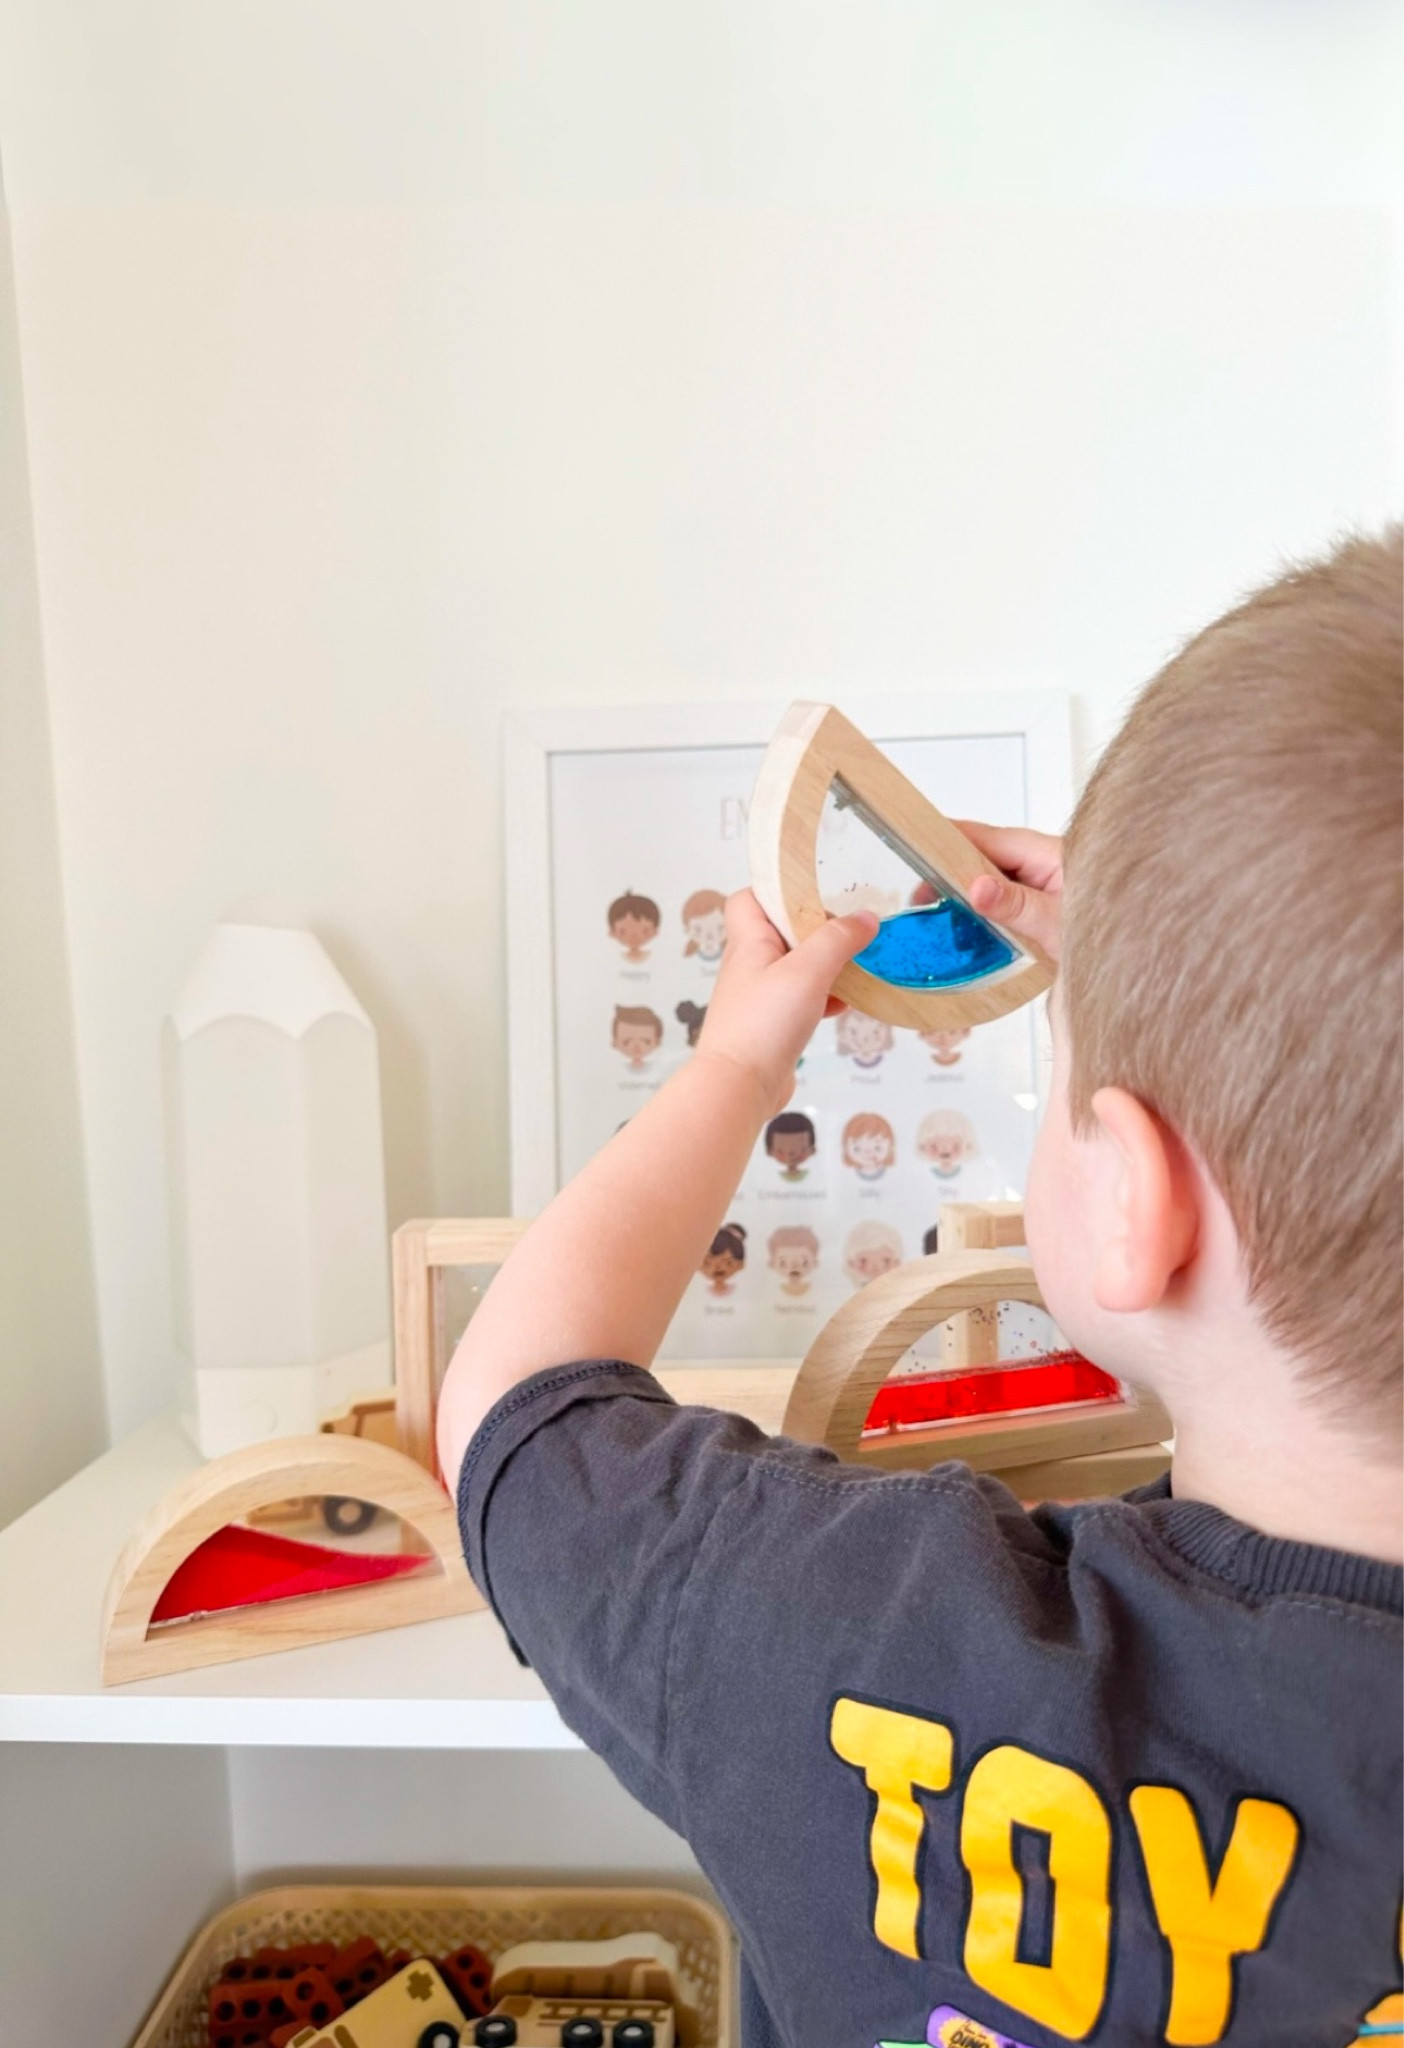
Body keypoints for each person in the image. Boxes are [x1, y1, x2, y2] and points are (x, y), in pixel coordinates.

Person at [438, 532, 1402, 2047]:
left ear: (1138, 1204)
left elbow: (515, 1410)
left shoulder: (856, 1639)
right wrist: (1216, 969)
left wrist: (733, 1065)